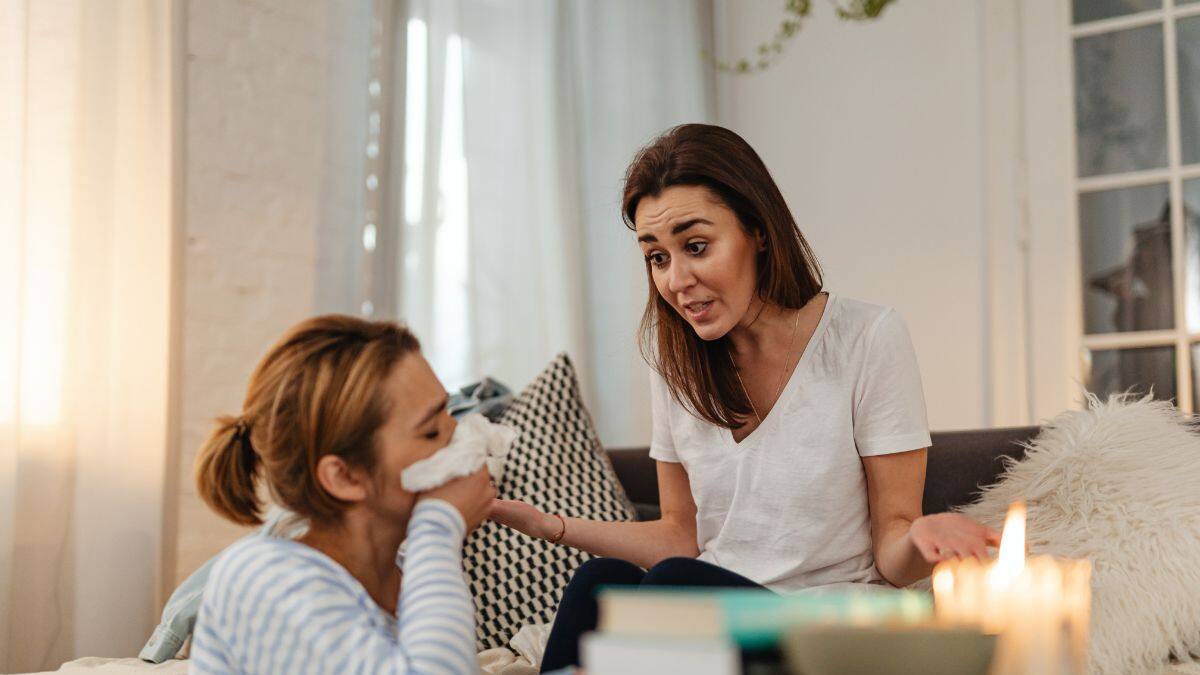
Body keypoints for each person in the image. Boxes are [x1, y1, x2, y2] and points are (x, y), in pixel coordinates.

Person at [488, 124, 1001, 672]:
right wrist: (553, 527)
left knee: (672, 586)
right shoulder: (674, 365)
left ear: (758, 231)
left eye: (696, 247)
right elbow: (679, 536)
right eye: (657, 257)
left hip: (824, 623)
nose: (677, 279)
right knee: (598, 581)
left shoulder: (867, 338)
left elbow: (892, 555)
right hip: (704, 604)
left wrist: (922, 535)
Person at [189, 316, 495, 674]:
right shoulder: (264, 579)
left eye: (449, 411)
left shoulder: (397, 578)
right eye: (430, 432)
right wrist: (439, 527)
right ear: (345, 476)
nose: (455, 432)